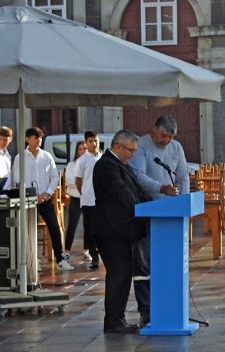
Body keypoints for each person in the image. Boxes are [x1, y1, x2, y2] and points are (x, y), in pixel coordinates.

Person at [129, 115, 188, 326]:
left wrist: (184, 203)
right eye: (163, 136)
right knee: (145, 264)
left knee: (169, 263)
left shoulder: (177, 148)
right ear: (154, 129)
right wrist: (162, 188)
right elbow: (138, 176)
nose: (166, 141)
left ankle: (169, 305)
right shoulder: (141, 145)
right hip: (147, 211)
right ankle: (147, 309)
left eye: (170, 137)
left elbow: (183, 176)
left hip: (171, 213)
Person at [91, 130, 151, 334]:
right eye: (130, 150)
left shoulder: (121, 164)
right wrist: (138, 207)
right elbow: (120, 191)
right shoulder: (107, 165)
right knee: (119, 274)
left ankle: (117, 319)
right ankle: (114, 322)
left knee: (123, 274)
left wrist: (151, 205)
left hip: (122, 230)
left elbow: (137, 189)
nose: (132, 154)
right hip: (111, 231)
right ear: (118, 146)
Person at [5, 127, 73, 271]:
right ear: (27, 139)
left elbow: (55, 176)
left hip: (45, 199)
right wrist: (30, 194)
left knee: (54, 227)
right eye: (35, 138)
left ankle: (60, 259)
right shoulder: (20, 158)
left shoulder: (47, 156)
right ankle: (33, 260)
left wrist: (47, 193)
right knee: (30, 230)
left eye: (40, 138)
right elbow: (17, 179)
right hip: (29, 200)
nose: (38, 141)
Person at [75, 130, 102, 269]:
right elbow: (78, 181)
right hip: (88, 200)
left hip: (102, 200)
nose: (94, 143)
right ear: (86, 142)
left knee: (104, 228)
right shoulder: (81, 161)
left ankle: (104, 254)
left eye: (96, 140)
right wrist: (84, 193)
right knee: (90, 230)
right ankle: (94, 257)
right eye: (91, 141)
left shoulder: (103, 158)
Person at [62, 140, 87, 263]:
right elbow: (71, 181)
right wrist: (84, 185)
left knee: (89, 226)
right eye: (80, 149)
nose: (82, 151)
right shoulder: (71, 165)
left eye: (84, 148)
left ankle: (87, 250)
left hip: (88, 199)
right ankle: (66, 251)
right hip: (76, 199)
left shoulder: (90, 163)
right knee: (72, 225)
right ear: (77, 151)